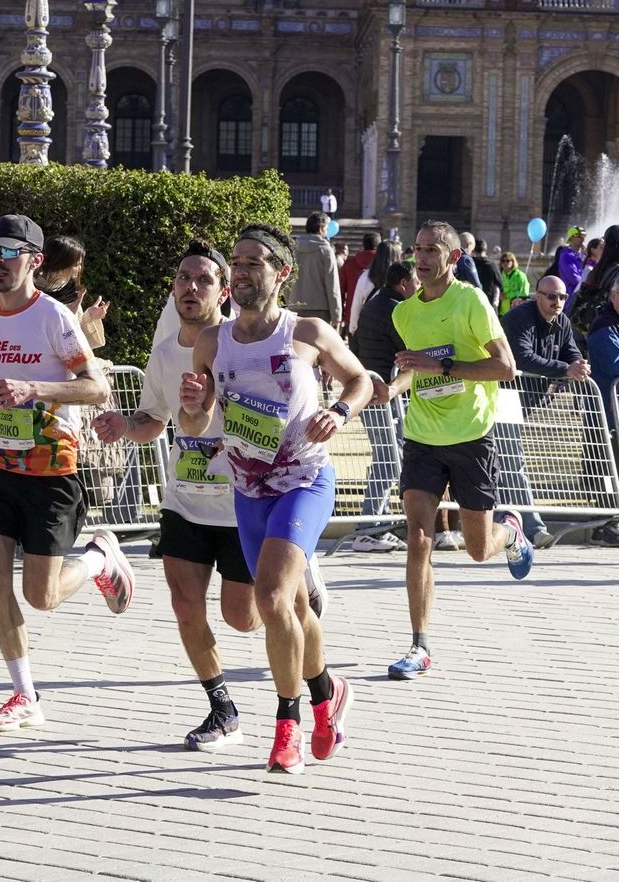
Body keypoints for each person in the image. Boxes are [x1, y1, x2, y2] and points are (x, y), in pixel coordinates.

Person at [178, 223, 373, 774]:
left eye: (253, 263)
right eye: (235, 264)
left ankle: (286, 726)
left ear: (281, 274)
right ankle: (326, 691)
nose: (240, 272)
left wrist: (339, 412)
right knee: (293, 607)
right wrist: (195, 400)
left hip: (304, 480)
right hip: (248, 488)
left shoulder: (305, 332)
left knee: (270, 599)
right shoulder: (213, 342)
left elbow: (361, 380)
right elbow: (199, 415)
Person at [0, 213, 133, 733]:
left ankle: (97, 559)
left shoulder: (52, 318)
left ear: (34, 261)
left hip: (49, 468)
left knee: (40, 596)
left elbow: (96, 388)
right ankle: (24, 695)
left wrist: (36, 389)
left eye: (8, 251)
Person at [93, 241, 263, 752]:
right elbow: (154, 420)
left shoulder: (242, 348)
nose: (191, 288)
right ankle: (222, 708)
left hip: (241, 506)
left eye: (203, 280)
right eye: (183, 279)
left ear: (224, 291)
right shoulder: (166, 353)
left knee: (243, 618)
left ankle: (301, 579)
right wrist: (127, 424)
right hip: (185, 503)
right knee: (186, 605)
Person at [375, 221, 533, 682]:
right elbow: (415, 371)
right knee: (419, 537)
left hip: (470, 435)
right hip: (423, 435)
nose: (421, 258)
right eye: (417, 249)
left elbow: (506, 367)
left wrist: (441, 363)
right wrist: (394, 386)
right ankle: (419, 645)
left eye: (431, 251)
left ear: (453, 258)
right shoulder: (404, 313)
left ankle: (512, 532)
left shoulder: (470, 301)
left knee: (479, 549)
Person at [501, 273, 590, 547]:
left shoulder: (562, 321)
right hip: (500, 396)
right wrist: (566, 369)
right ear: (537, 295)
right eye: (551, 296)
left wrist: (578, 364)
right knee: (512, 463)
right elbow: (523, 357)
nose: (558, 301)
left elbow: (570, 350)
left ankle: (502, 522)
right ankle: (534, 528)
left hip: (525, 401)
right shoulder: (520, 318)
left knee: (501, 464)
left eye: (563, 296)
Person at [352, 255, 416, 549]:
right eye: (416, 281)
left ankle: (376, 523)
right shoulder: (396, 309)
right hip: (381, 391)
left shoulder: (375, 302)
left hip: (371, 387)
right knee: (389, 459)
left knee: (388, 456)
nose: (419, 286)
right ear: (404, 284)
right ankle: (367, 527)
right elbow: (409, 350)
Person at [34, 234, 109, 350]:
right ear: (61, 262)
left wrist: (90, 317)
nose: (79, 269)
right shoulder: (29, 287)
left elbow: (76, 342)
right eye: (76, 264)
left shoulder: (71, 292)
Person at [287, 212, 342, 327]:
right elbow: (332, 284)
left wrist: (289, 302)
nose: (327, 231)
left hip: (294, 307)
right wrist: (336, 314)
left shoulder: (292, 248)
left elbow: (287, 278)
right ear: (321, 228)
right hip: (320, 309)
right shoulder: (325, 250)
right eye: (326, 228)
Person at [338, 231, 378, 325]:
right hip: (377, 316)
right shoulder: (385, 266)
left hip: (351, 315)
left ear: (363, 245)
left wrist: (342, 315)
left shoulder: (348, 264)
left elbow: (341, 291)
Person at [470, 238, 504, 310]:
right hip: (488, 304)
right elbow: (499, 284)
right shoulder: (492, 265)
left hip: (471, 303)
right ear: (485, 250)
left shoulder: (469, 265)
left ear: (473, 249)